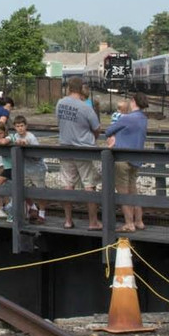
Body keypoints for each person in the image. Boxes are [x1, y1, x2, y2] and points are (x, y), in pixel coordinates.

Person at [56, 76, 101, 229]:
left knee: (68, 185)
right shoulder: (86, 108)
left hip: (65, 148)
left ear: (68, 88)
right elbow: (97, 129)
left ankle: (68, 220)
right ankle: (93, 222)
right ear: (81, 88)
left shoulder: (60, 104)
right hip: (84, 150)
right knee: (89, 184)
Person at [104, 92, 149, 232]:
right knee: (133, 191)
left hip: (122, 159)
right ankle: (139, 221)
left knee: (123, 193)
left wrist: (115, 137)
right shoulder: (144, 118)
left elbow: (108, 131)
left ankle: (129, 223)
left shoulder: (127, 118)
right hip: (136, 159)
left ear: (133, 101)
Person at [11, 115, 47, 224]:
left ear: (26, 126)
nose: (20, 128)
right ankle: (33, 207)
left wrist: (27, 147)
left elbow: (38, 155)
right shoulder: (15, 137)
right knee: (23, 190)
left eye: (22, 126)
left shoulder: (31, 138)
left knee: (40, 191)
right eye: (18, 126)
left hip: (36, 168)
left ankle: (42, 213)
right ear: (14, 127)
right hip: (24, 168)